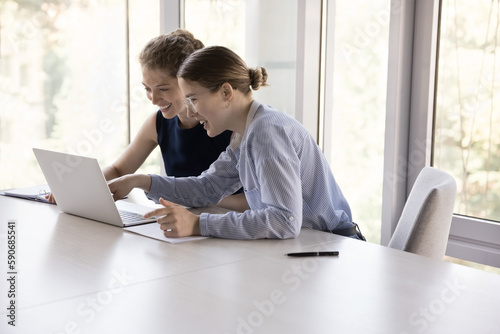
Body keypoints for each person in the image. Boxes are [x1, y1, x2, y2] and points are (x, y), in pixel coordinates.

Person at [108, 45, 364, 240]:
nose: (191, 112)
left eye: (194, 99)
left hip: (333, 245)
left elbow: (284, 221)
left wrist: (198, 224)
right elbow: (207, 187)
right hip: (304, 244)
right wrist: (141, 181)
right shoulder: (245, 134)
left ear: (226, 93)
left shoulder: (266, 133)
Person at [48, 30, 248, 212]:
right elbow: (119, 169)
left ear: (190, 82)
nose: (153, 98)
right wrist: (78, 188)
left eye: (163, 89)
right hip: (182, 224)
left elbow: (255, 200)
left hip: (226, 225)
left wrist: (195, 197)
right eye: (146, 88)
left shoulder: (228, 125)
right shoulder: (158, 123)